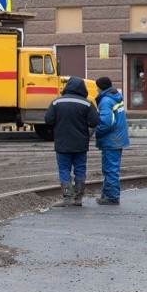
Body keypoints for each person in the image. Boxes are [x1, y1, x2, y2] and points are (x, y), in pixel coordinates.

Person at [44, 76, 99, 207]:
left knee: (64, 169)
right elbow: (94, 122)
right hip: (81, 144)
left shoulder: (56, 102)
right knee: (80, 169)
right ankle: (78, 198)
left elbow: (48, 120)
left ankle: (67, 197)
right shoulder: (87, 103)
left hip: (62, 143)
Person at [94, 76, 130, 205]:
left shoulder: (105, 101)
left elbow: (106, 122)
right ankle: (106, 195)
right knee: (111, 168)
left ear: (99, 87)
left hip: (111, 139)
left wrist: (96, 132)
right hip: (118, 138)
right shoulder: (116, 96)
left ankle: (112, 197)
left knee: (110, 169)